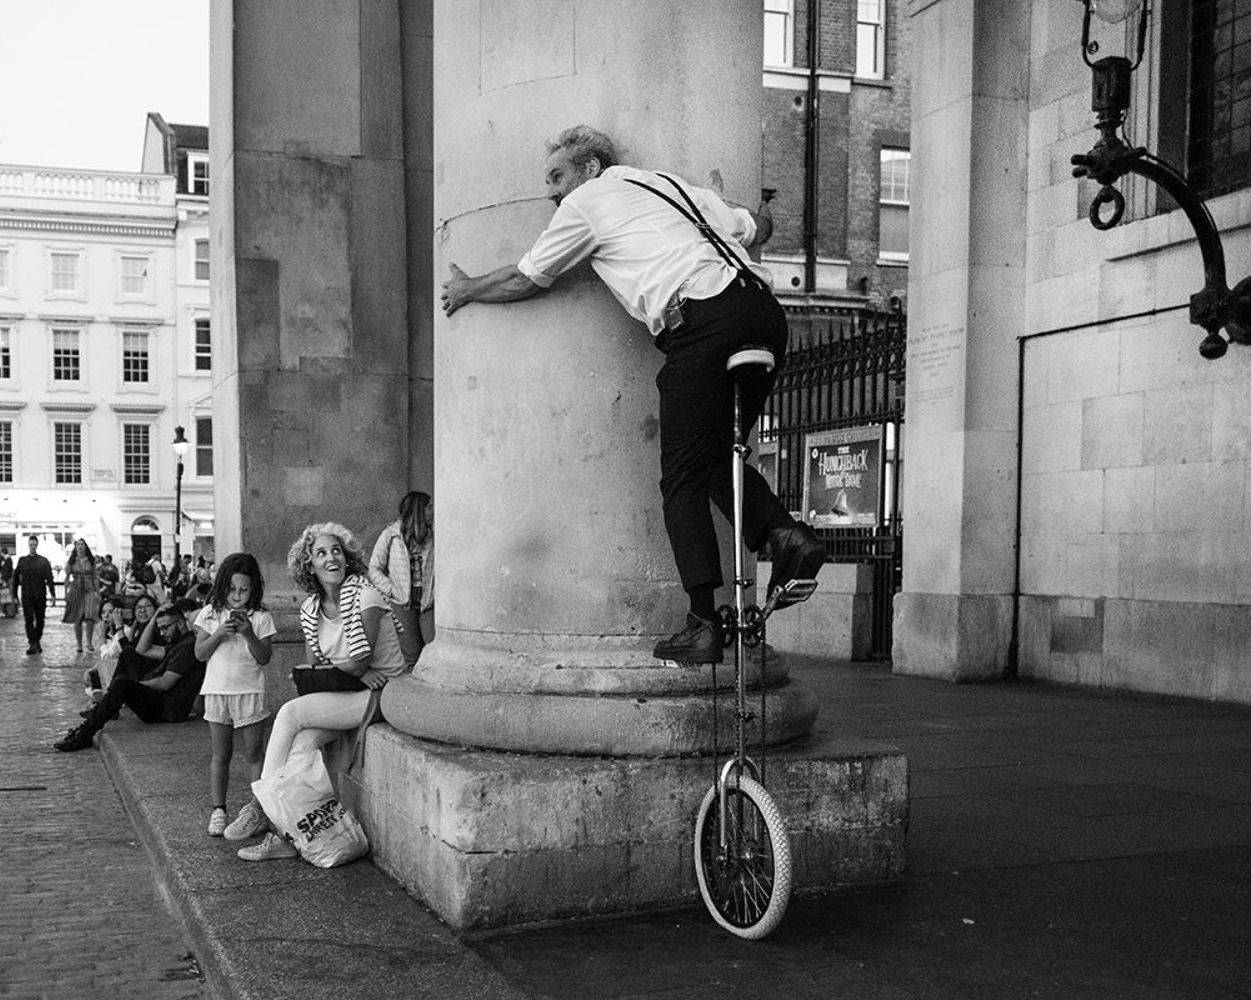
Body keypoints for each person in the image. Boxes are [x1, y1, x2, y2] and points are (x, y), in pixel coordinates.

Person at [439, 125, 827, 664]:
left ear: (591, 168)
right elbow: (757, 227)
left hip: (703, 323)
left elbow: (527, 278)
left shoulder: (587, 202)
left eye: (558, 177)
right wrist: (758, 221)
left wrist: (467, 288)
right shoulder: (673, 186)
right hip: (763, 315)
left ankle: (702, 622)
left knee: (682, 479)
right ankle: (786, 536)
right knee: (714, 457)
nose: (553, 192)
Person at [230, 523, 409, 861]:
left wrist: (350, 671)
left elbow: (358, 663)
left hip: (383, 692)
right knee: (301, 744)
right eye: (321, 553)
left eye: (337, 550)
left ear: (347, 557)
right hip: (350, 693)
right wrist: (340, 673)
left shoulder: (364, 594)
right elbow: (317, 671)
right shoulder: (311, 609)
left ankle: (260, 808)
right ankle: (289, 834)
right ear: (309, 564)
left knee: (290, 713)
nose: (331, 558)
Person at [192, 553, 277, 839]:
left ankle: (259, 809)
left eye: (244, 590)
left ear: (254, 589)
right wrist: (218, 634)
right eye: (232, 589)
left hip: (249, 690)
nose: (237, 596)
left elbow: (264, 657)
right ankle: (219, 809)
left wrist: (249, 634)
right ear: (222, 586)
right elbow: (200, 653)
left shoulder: (261, 617)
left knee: (254, 753)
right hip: (217, 691)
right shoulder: (210, 613)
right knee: (221, 754)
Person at [53, 599, 209, 752]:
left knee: (121, 683)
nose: (162, 633)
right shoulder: (179, 643)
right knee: (128, 655)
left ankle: (85, 733)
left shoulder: (187, 647)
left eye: (165, 628)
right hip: (160, 701)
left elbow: (164, 683)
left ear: (181, 624)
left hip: (166, 710)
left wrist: (133, 685)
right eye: (159, 628)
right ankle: (102, 712)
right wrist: (154, 618)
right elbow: (142, 650)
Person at [368, 491, 435, 667]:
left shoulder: (436, 535)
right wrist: (391, 589)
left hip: (428, 603)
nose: (433, 511)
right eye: (429, 507)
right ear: (418, 510)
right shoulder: (391, 535)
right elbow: (374, 568)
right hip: (402, 604)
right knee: (411, 654)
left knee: (433, 651)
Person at [12, 535, 56, 655]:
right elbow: (15, 579)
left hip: (40, 595)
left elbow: (50, 578)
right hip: (27, 595)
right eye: (31, 545)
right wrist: (14, 595)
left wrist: (53, 594)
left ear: (37, 545)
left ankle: (36, 641)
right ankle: (33, 643)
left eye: (34, 545)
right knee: (29, 620)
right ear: (28, 545)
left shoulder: (43, 561)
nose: (32, 547)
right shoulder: (22, 561)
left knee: (40, 620)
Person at [61, 539, 102, 653]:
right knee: (77, 618)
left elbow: (95, 577)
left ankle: (89, 642)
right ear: (76, 547)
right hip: (76, 590)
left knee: (90, 617)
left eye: (82, 544)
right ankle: (79, 644)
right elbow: (67, 577)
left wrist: (98, 593)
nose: (80, 546)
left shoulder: (91, 560)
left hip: (89, 590)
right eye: (78, 544)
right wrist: (65, 593)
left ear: (85, 547)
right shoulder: (72, 560)